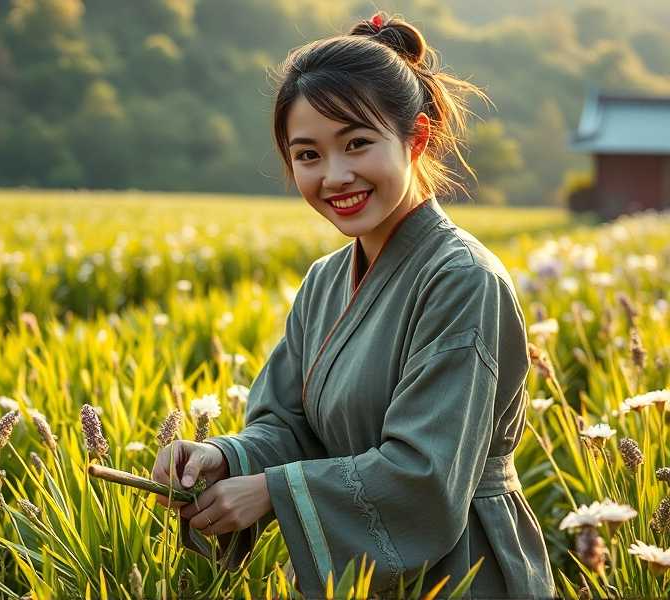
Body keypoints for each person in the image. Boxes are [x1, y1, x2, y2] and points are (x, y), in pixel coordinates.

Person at [152, 11, 556, 599]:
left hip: (462, 568)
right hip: (356, 578)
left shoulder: (462, 280)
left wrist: (273, 492)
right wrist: (222, 458)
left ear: (416, 139)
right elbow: (290, 425)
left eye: (357, 144)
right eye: (308, 155)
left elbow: (425, 474)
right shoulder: (324, 281)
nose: (335, 176)